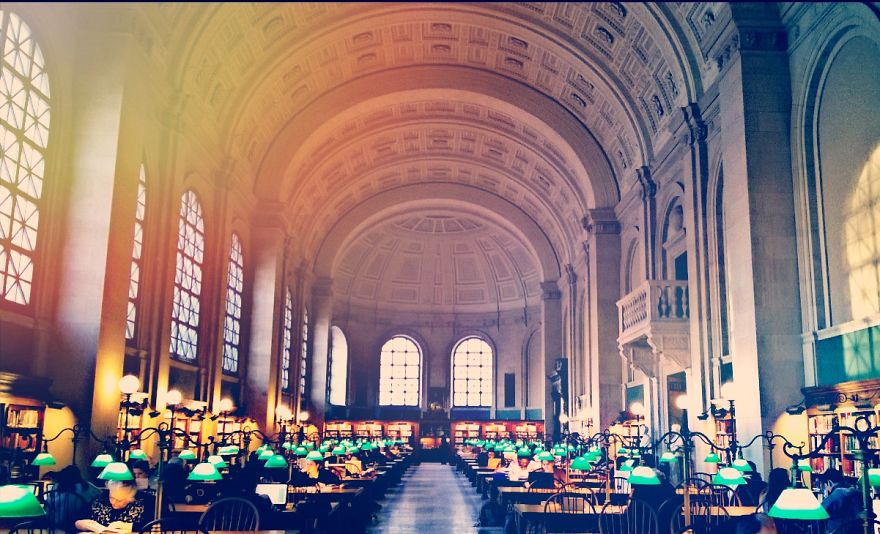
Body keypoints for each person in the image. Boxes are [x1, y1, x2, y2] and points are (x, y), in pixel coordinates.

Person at [75, 480, 146, 533]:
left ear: (130, 499)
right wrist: (82, 524)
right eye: (111, 497)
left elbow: (151, 527)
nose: (113, 502)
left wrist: (129, 526)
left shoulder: (140, 505)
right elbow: (77, 520)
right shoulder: (100, 499)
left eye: (119, 500)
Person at [819, 467, 863, 532]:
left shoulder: (836, 494)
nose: (826, 489)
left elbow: (820, 513)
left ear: (829, 482)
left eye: (825, 486)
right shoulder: (859, 493)